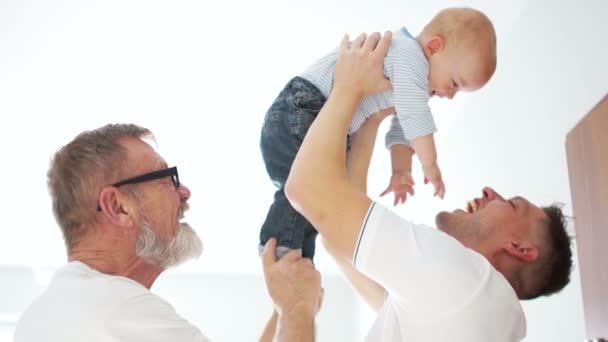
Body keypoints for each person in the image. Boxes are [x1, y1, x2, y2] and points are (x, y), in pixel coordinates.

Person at [285, 32, 573, 341]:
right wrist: (373, 115)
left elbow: (308, 189)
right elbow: (340, 242)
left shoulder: (468, 288)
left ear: (520, 249)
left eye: (512, 203)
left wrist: (348, 87)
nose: (490, 192)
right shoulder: (468, 311)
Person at [14, 124, 321, 342]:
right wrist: (297, 310)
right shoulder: (115, 309)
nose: (185, 192)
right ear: (118, 206)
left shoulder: (49, 315)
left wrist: (284, 309)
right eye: (167, 179)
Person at [259, 7, 497, 259]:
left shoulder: (411, 79)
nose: (450, 95)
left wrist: (401, 171)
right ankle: (279, 246)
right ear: (435, 47)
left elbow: (403, 127)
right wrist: (431, 164)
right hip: (303, 109)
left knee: (316, 206)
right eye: (455, 84)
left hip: (312, 121)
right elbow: (415, 117)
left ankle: (299, 256)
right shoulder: (409, 55)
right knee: (311, 187)